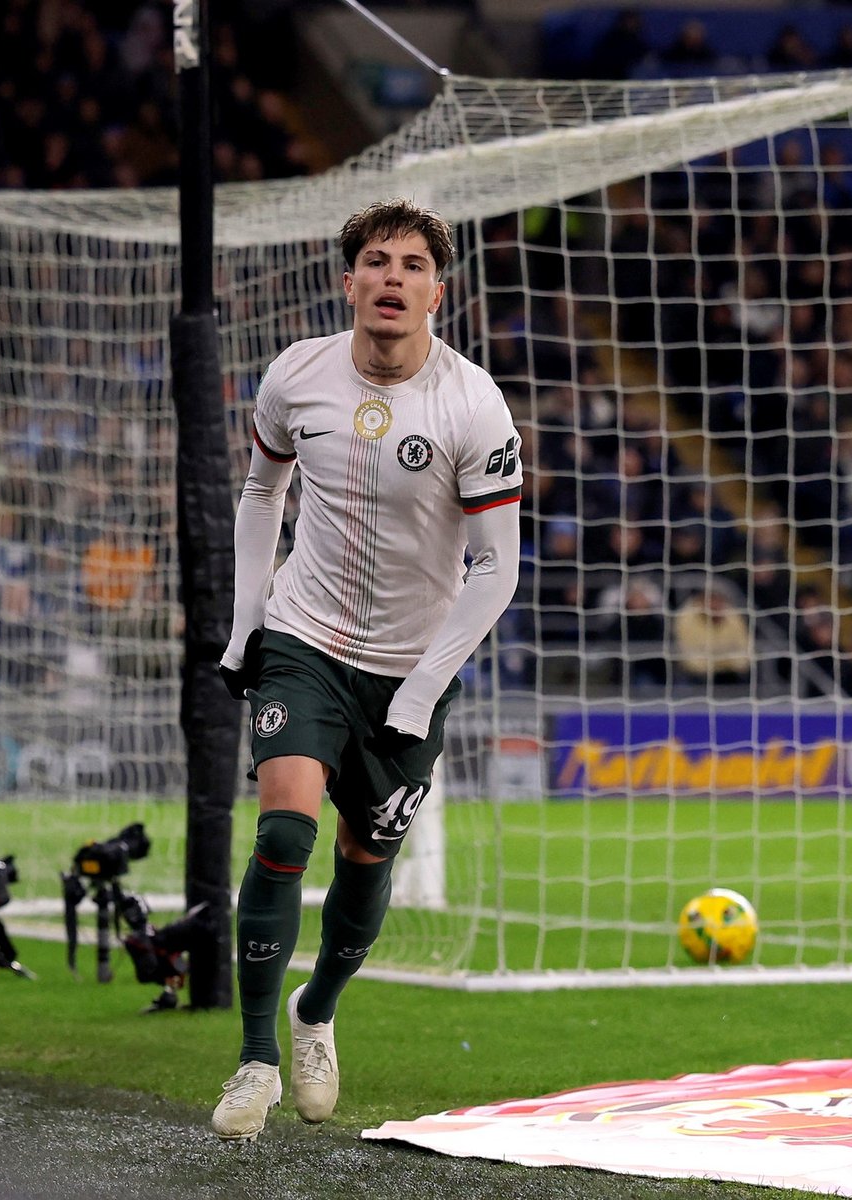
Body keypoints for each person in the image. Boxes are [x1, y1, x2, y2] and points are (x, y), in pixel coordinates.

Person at [211, 199, 522, 1141]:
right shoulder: (297, 374)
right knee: (284, 834)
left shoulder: (472, 403)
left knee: (363, 859)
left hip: (409, 668)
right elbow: (263, 490)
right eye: (376, 260)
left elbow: (497, 568)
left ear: (438, 289)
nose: (392, 276)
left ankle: (317, 1012)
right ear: (348, 281)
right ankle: (255, 1057)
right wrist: (245, 629)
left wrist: (422, 690)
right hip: (303, 641)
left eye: (413, 263)